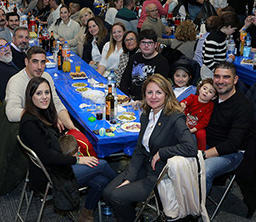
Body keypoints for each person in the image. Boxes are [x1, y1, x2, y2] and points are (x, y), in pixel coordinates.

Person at [20, 77, 116, 222]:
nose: (44, 97)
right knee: (101, 164)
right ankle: (122, 194)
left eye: (47, 92)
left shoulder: (41, 113)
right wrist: (77, 159)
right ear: (30, 96)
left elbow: (51, 146)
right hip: (50, 176)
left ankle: (86, 214)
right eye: (39, 93)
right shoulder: (30, 124)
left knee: (101, 180)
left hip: (52, 166)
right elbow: (48, 157)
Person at [104, 73, 198, 222]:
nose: (153, 97)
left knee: (117, 196)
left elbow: (191, 148)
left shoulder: (175, 117)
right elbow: (140, 149)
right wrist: (130, 177)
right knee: (108, 193)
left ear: (167, 95)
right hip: (144, 166)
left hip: (159, 175)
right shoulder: (146, 114)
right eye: (149, 92)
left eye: (158, 92)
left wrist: (162, 152)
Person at [204, 62, 252, 195]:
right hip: (208, 144)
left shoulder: (243, 107)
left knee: (203, 170)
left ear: (235, 80)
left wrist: (202, 155)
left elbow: (232, 145)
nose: (220, 81)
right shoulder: (211, 98)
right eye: (217, 76)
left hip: (232, 153)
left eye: (226, 77)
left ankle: (195, 211)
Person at [5, 46, 76, 131]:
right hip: (27, 129)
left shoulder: (46, 77)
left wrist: (71, 127)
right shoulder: (16, 82)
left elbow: (56, 102)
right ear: (26, 62)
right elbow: (11, 113)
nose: (39, 67)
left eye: (43, 62)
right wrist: (43, 118)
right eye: (35, 62)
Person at [120, 29, 170, 100]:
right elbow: (124, 80)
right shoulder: (134, 57)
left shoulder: (162, 62)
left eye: (149, 43)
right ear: (139, 44)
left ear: (155, 45)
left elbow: (158, 88)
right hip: (129, 97)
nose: (146, 46)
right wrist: (125, 97)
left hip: (149, 100)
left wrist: (137, 100)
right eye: (143, 43)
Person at [180, 78, 217, 150]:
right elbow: (185, 102)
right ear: (199, 89)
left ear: (214, 97)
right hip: (185, 122)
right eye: (205, 88)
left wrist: (194, 129)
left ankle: (201, 153)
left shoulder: (210, 105)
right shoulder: (192, 97)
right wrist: (183, 104)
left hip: (197, 126)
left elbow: (205, 121)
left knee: (201, 134)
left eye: (210, 92)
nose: (206, 92)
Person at [202, 11, 240, 78]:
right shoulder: (214, 38)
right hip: (210, 72)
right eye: (233, 29)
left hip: (216, 70)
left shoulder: (221, 36)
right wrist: (219, 72)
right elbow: (207, 61)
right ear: (228, 27)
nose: (234, 31)